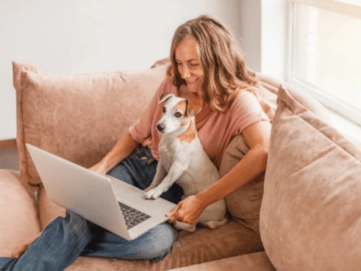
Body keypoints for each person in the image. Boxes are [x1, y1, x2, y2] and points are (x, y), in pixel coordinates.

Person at [0, 14, 271, 270]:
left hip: (173, 189)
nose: (185, 74)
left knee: (156, 243)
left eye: (194, 64)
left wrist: (201, 200)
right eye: (179, 62)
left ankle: (50, 243)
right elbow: (136, 134)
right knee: (86, 216)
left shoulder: (238, 101)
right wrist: (101, 167)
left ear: (215, 59)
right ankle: (58, 243)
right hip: (138, 166)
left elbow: (263, 150)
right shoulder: (172, 85)